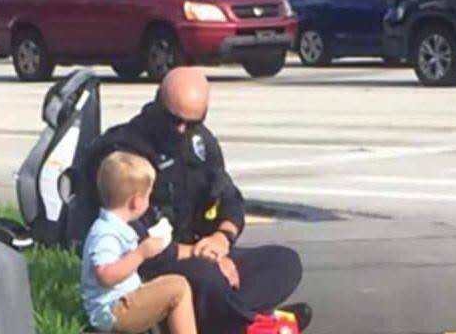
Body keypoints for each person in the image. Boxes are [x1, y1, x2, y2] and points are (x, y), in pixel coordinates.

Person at [72, 67, 310, 334]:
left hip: (206, 251)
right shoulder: (124, 153)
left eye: (192, 122)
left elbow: (229, 198)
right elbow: (139, 241)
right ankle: (250, 324)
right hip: (156, 266)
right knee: (208, 279)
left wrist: (222, 238)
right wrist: (201, 255)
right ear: (158, 103)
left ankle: (232, 319)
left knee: (284, 263)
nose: (182, 129)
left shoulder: (200, 142)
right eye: (175, 120)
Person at [81, 151, 197, 334]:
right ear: (136, 201)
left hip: (119, 303)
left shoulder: (116, 227)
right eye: (148, 196)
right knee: (178, 287)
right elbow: (105, 275)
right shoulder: (106, 233)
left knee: (161, 285)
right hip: (114, 310)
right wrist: (141, 253)